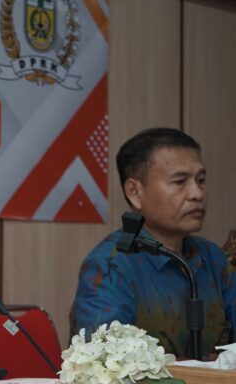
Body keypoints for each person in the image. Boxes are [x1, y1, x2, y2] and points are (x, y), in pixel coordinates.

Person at [70, 127, 236, 357]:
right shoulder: (109, 266)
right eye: (180, 182)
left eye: (201, 180)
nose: (197, 194)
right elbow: (105, 364)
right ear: (135, 192)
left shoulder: (213, 257)